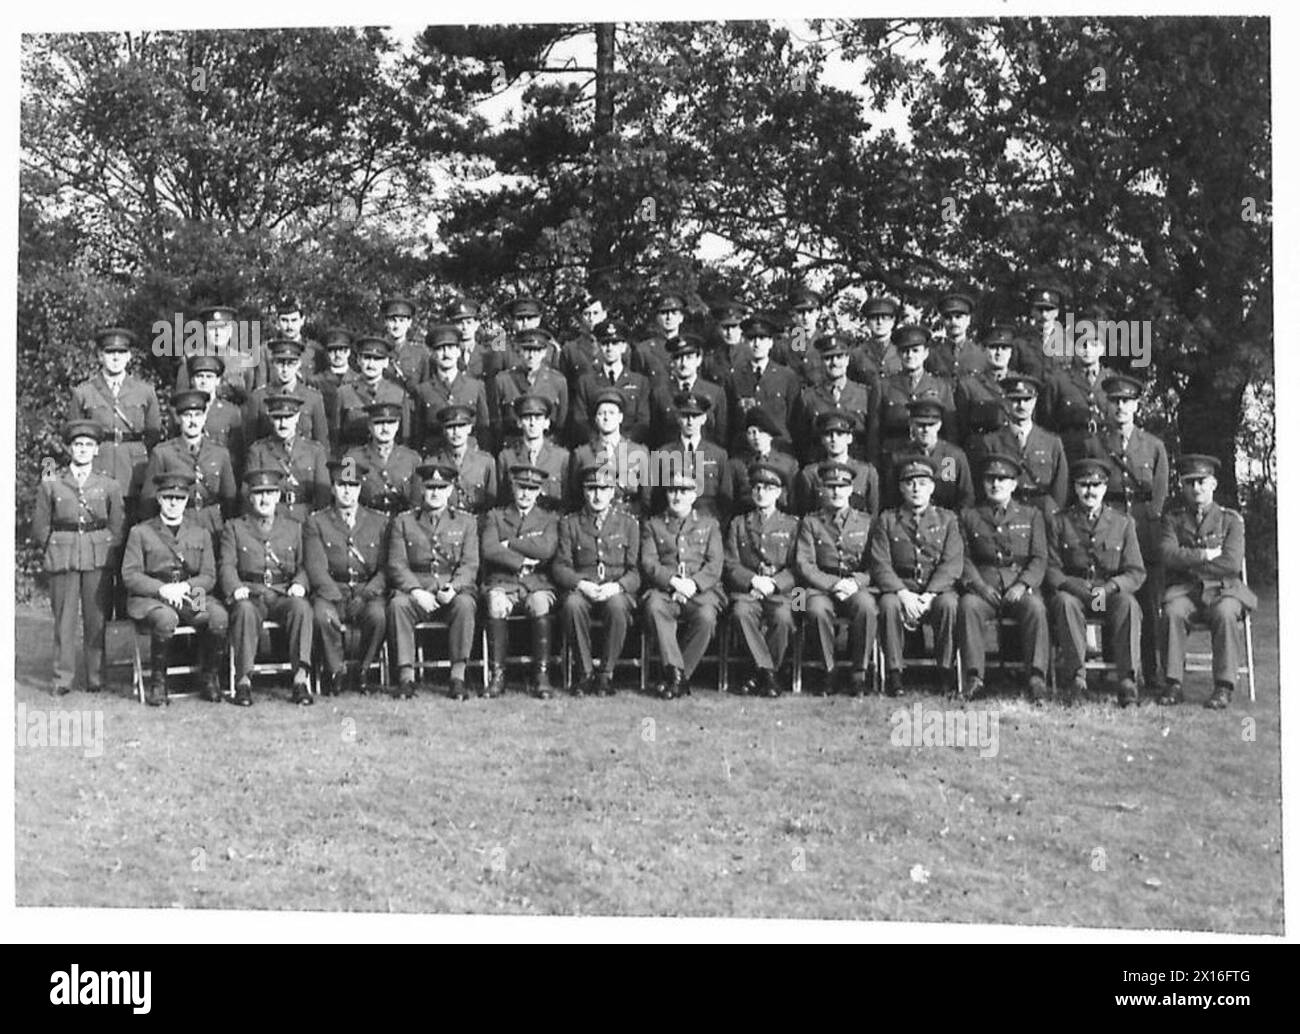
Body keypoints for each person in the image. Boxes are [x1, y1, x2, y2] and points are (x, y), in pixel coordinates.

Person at [1086, 373, 1170, 688]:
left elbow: (1159, 494)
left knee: (1149, 601)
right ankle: (1114, 667)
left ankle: (1152, 670)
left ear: (1136, 405)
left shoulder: (1153, 446)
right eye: (1115, 401)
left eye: (1127, 401)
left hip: (1145, 528)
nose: (1121, 407)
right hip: (1110, 524)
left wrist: (1149, 522)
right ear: (1107, 405)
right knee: (1111, 590)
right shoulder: (1095, 444)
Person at [32, 421, 126, 696]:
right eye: (77, 445)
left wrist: (105, 547)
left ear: (97, 450)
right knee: (64, 619)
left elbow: (117, 526)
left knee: (96, 620)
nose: (83, 450)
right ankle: (63, 678)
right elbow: (40, 525)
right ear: (69, 448)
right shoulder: (52, 482)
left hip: (97, 556)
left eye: (88, 445)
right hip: (64, 554)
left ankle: (96, 676)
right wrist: (53, 545)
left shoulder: (108, 484)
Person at [1158, 454, 1257, 710]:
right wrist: (1205, 555)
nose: (1196, 488)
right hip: (1187, 590)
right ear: (1182, 486)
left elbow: (1232, 563)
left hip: (1224, 591)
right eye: (1189, 482)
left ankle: (1223, 686)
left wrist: (1188, 559)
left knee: (1226, 613)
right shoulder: (1173, 519)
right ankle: (1173, 683)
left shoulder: (1231, 520)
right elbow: (1168, 556)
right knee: (1172, 611)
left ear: (1213, 484)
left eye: (1202, 481)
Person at [121, 472, 229, 705]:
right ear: (159, 499)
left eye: (179, 498)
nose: (173, 503)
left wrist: (186, 587)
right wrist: (162, 589)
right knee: (166, 618)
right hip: (152, 596)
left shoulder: (200, 532)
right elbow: (130, 575)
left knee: (217, 616)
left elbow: (209, 576)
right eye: (168, 497)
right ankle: (158, 684)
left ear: (187, 500)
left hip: (190, 593)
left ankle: (209, 678)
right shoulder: (140, 532)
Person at [1045, 457, 1146, 706]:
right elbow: (1051, 568)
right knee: (1064, 603)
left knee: (1129, 605)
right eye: (1083, 485)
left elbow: (1135, 571)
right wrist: (1074, 587)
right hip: (1076, 592)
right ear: (1075, 488)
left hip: (1107, 594)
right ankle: (1076, 680)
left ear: (1104, 488)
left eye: (1095, 485)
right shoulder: (1060, 521)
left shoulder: (1123, 523)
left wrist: (1110, 587)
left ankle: (1127, 680)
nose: (1089, 491)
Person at [957, 453, 1050, 701]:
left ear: (1013, 484)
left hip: (1019, 585)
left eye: (1002, 479)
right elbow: (963, 558)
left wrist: (1022, 585)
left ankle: (1036, 676)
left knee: (1036, 608)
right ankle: (974, 677)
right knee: (968, 606)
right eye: (990, 479)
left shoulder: (1031, 515)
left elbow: (1040, 558)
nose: (995, 484)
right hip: (984, 585)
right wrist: (978, 586)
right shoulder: (969, 516)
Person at [219, 469, 315, 706]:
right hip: (252, 593)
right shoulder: (234, 527)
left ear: (278, 496)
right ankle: (243, 681)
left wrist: (300, 584)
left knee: (302, 608)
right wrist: (235, 587)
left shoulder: (294, 527)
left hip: (283, 592)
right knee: (243, 611)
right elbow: (226, 565)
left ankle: (300, 680)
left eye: (270, 493)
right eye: (258, 494)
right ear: (250, 497)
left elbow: (305, 565)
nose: (264, 500)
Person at [870, 455, 964, 697]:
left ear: (932, 487)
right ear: (901, 488)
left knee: (950, 604)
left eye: (922, 483)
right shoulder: (887, 520)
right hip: (902, 587)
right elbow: (881, 563)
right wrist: (903, 593)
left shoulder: (948, 519)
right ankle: (894, 673)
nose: (915, 488)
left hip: (936, 590)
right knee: (888, 604)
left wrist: (931, 594)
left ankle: (945, 672)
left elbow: (952, 562)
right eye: (909, 483)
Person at [387, 463, 480, 700]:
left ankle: (457, 677)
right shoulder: (404, 521)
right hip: (418, 590)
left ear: (450, 490)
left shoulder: (466, 522)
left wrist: (455, 587)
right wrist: (417, 591)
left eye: (441, 487)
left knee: (466, 604)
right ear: (422, 490)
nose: (435, 493)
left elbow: (470, 564)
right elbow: (397, 564)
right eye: (430, 488)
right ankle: (406, 678)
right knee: (398, 605)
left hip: (450, 591)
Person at [303, 458, 390, 697]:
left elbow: (385, 569)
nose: (347, 491)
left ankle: (364, 670)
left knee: (378, 616)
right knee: (322, 616)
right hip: (333, 590)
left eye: (352, 486)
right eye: (341, 485)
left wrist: (366, 594)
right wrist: (336, 597)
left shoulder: (379, 521)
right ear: (332, 487)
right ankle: (335, 671)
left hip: (365, 590)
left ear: (360, 488)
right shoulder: (316, 521)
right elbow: (316, 567)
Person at [553, 463, 642, 696]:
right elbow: (560, 566)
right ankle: (585, 673)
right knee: (572, 605)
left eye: (604, 489)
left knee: (618, 607)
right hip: (584, 589)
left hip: (614, 589)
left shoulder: (629, 523)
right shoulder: (569, 523)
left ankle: (606, 674)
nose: (597, 495)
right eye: (591, 489)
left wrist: (617, 587)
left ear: (613, 491)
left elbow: (635, 572)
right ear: (584, 491)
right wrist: (581, 584)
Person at [795, 460, 878, 696]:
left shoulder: (867, 521)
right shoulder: (810, 522)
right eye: (830, 487)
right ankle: (827, 670)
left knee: (867, 607)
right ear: (822, 489)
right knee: (814, 609)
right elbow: (804, 564)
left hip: (855, 585)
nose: (836, 492)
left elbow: (876, 565)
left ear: (851, 489)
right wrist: (833, 584)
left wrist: (855, 582)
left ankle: (859, 673)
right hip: (820, 586)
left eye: (842, 487)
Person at [640, 471, 725, 699]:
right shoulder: (653, 524)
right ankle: (677, 676)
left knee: (707, 617)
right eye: (672, 490)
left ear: (694, 494)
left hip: (700, 592)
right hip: (666, 590)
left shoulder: (709, 524)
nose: (677, 496)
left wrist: (692, 586)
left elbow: (715, 564)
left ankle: (677, 676)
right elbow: (649, 562)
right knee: (655, 608)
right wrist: (674, 583)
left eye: (684, 491)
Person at [481, 465, 561, 698]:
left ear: (539, 491)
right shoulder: (496, 516)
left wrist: (511, 543)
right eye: (521, 487)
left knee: (540, 604)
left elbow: (546, 550)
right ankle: (498, 675)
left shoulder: (548, 519)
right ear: (512, 488)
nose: (525, 494)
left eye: (532, 489)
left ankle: (542, 675)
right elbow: (489, 549)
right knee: (496, 603)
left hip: (536, 583)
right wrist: (522, 560)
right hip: (505, 581)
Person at [69, 326, 162, 522]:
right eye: (110, 352)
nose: (116, 357)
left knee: (132, 530)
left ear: (129, 357)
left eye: (122, 352)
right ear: (100, 356)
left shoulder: (145, 391)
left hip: (133, 473)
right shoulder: (84, 392)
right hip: (98, 468)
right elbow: (71, 437)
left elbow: (154, 436)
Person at [724, 462, 799, 697]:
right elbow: (730, 563)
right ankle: (769, 674)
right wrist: (753, 581)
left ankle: (758, 674)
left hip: (785, 593)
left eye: (768, 488)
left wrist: (774, 583)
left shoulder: (793, 524)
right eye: (756, 487)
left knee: (784, 618)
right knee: (740, 613)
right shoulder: (738, 524)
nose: (761, 493)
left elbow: (798, 566)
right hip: (749, 592)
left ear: (778, 493)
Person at [140, 389, 237, 544]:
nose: (193, 421)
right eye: (187, 415)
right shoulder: (163, 453)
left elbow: (230, 499)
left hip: (212, 524)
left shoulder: (220, 454)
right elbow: (149, 500)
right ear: (178, 419)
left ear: (205, 418)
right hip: (178, 523)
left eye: (198, 415)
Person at [980, 375, 1068, 518]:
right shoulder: (991, 442)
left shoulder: (1052, 442)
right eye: (1015, 400)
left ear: (1035, 401)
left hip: (1043, 513)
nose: (1021, 405)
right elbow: (985, 486)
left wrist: (1054, 513)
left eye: (1027, 399)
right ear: (1005, 401)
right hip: (1006, 514)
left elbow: (1060, 488)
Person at [873, 324, 955, 476]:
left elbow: (950, 435)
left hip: (931, 460)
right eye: (905, 351)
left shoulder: (941, 387)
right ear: (898, 353)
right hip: (893, 459)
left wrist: (947, 474)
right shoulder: (883, 386)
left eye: (915, 350)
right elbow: (874, 433)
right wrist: (876, 468)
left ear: (925, 353)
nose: (910, 355)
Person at [566, 388, 653, 518]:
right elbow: (575, 497)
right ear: (595, 419)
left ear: (620, 417)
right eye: (601, 413)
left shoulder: (639, 452)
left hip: (630, 519)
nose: (606, 418)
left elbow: (646, 499)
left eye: (612, 413)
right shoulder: (582, 454)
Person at [1039, 316, 1116, 463]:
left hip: (1106, 452)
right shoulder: (1058, 381)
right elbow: (1045, 424)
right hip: (1069, 453)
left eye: (1093, 344)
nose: (1087, 349)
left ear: (1102, 349)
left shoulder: (1112, 382)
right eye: (1082, 344)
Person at [244, 394, 330, 523]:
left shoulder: (315, 451)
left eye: (288, 417)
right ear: (271, 419)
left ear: (297, 417)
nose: (283, 423)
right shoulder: (258, 451)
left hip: (307, 519)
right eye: (277, 418)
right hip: (273, 520)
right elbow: (247, 495)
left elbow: (323, 496)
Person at [649, 391, 731, 523]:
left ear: (704, 419)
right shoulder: (663, 453)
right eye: (685, 416)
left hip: (708, 525)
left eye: (695, 416)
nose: (690, 421)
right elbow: (656, 499)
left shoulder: (719, 455)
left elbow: (726, 499)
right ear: (678, 418)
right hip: (673, 525)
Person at [724, 313, 801, 449]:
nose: (756, 344)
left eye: (762, 338)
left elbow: (795, 421)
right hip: (745, 451)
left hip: (780, 451)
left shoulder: (787, 377)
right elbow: (730, 421)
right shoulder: (734, 377)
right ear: (745, 342)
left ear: (771, 342)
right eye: (752, 338)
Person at [571, 319, 652, 445]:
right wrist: (600, 442)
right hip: (596, 450)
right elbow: (580, 421)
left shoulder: (640, 382)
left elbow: (643, 422)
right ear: (598, 346)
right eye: (605, 343)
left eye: (615, 343)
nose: (610, 348)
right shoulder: (586, 382)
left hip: (629, 450)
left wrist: (622, 443)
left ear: (624, 347)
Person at [886, 399, 974, 513]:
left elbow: (967, 497)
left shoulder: (953, 456)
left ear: (939, 425)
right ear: (911, 424)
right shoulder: (899, 457)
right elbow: (891, 499)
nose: (926, 430)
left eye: (931, 424)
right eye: (920, 425)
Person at [415, 323, 492, 452]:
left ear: (458, 351)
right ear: (433, 354)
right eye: (440, 349)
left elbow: (484, 430)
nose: (446, 353)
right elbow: (418, 435)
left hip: (470, 458)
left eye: (451, 347)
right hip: (435, 457)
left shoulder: (475, 387)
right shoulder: (423, 391)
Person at [795, 333, 873, 461]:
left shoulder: (864, 394)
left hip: (858, 467)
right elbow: (803, 441)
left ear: (847, 360)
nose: (834, 363)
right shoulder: (808, 397)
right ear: (821, 361)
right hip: (821, 467)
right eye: (828, 358)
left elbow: (872, 437)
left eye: (839, 357)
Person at [242, 338, 330, 448]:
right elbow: (250, 443)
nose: (285, 369)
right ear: (273, 363)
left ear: (299, 364)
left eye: (291, 364)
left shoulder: (313, 398)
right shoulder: (258, 398)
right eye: (280, 363)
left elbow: (322, 444)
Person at [491, 328, 570, 445]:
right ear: (519, 351)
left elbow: (561, 421)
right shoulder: (503, 380)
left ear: (544, 352)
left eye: (537, 350)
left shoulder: (557, 381)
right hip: (513, 447)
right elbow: (497, 422)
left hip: (547, 446)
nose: (531, 355)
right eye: (527, 350)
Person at [793, 410, 880, 516]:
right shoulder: (810, 474)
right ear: (822, 440)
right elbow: (805, 513)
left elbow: (873, 514)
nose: (834, 439)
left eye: (840, 434)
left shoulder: (866, 472)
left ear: (849, 438)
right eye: (828, 435)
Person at [648, 334, 728, 447]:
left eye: (689, 357)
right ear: (672, 362)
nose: (683, 363)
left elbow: (721, 437)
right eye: (678, 358)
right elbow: (655, 438)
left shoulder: (715, 393)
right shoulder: (660, 394)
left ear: (699, 360)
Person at [344, 402, 422, 517]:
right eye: (378, 423)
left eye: (390, 423)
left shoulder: (412, 458)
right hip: (367, 524)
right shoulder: (351, 458)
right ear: (369, 426)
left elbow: (417, 503)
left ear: (397, 426)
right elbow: (346, 499)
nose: (385, 428)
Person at [496, 395, 571, 513]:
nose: (532, 423)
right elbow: (502, 500)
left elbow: (567, 501)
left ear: (547, 423)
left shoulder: (561, 457)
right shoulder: (506, 457)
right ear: (519, 423)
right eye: (527, 418)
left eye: (538, 418)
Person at [174, 305, 263, 404]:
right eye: (212, 328)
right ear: (205, 331)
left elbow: (248, 398)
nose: (217, 333)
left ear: (230, 331)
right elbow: (181, 399)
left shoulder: (244, 361)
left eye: (222, 328)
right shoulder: (190, 359)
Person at [955, 324, 1017, 459]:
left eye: (1004, 348)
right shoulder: (968, 385)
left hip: (1012, 453)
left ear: (1011, 352)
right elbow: (960, 430)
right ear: (983, 350)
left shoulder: (1021, 385)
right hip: (980, 454)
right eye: (993, 347)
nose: (999, 353)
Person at [336, 336, 410, 448]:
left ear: (386, 362)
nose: (371, 364)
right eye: (367, 358)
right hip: (352, 459)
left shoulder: (398, 394)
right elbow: (335, 435)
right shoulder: (344, 393)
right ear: (358, 360)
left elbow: (405, 437)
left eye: (377, 359)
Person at [427, 403, 498, 518]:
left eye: (461, 426)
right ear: (444, 430)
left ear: (469, 428)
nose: (456, 432)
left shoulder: (485, 462)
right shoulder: (432, 463)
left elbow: (491, 505)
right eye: (451, 427)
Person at [724, 408, 798, 515]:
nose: (756, 437)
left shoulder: (788, 464)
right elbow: (729, 501)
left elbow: (792, 501)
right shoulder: (736, 465)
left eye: (761, 432)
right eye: (751, 433)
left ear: (770, 435)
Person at [182, 354, 244, 462]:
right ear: (192, 380)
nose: (204, 381)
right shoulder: (181, 410)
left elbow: (237, 453)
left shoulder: (231, 412)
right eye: (199, 376)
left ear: (218, 381)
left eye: (209, 377)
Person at [312, 328, 357, 454]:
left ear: (349, 352)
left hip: (352, 446)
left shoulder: (359, 380)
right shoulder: (315, 381)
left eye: (342, 350)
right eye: (332, 350)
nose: (337, 355)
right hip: (324, 442)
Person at [633, 289, 688, 385]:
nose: (669, 317)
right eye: (663, 313)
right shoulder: (644, 351)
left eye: (674, 313)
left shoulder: (690, 348)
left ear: (681, 317)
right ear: (657, 318)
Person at [928, 291, 987, 379]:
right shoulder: (932, 355)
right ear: (942, 321)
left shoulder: (980, 355)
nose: (954, 322)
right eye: (948, 318)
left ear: (968, 320)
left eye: (958, 317)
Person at [381, 295, 427, 397]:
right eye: (393, 320)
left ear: (409, 323)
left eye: (401, 321)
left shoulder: (420, 354)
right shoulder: (378, 351)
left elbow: (426, 391)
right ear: (385, 322)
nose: (397, 326)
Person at [849, 295, 901, 383]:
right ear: (867, 322)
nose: (879, 322)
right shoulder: (856, 355)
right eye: (874, 317)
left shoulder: (904, 351)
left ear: (893, 321)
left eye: (885, 317)